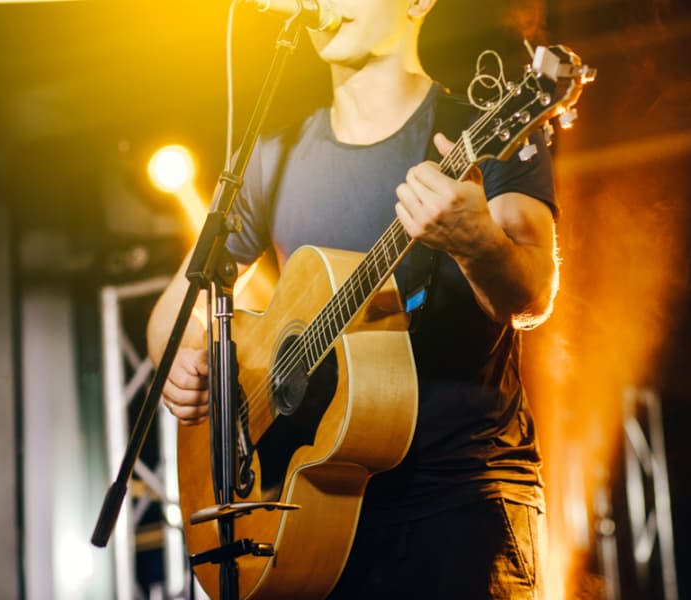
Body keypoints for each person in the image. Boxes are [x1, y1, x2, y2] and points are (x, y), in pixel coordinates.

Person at [147, 0, 558, 597]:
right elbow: (171, 319)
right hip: (310, 514)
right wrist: (186, 369)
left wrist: (478, 246)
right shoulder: (273, 157)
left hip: (459, 500)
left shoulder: (480, 125)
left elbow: (530, 295)